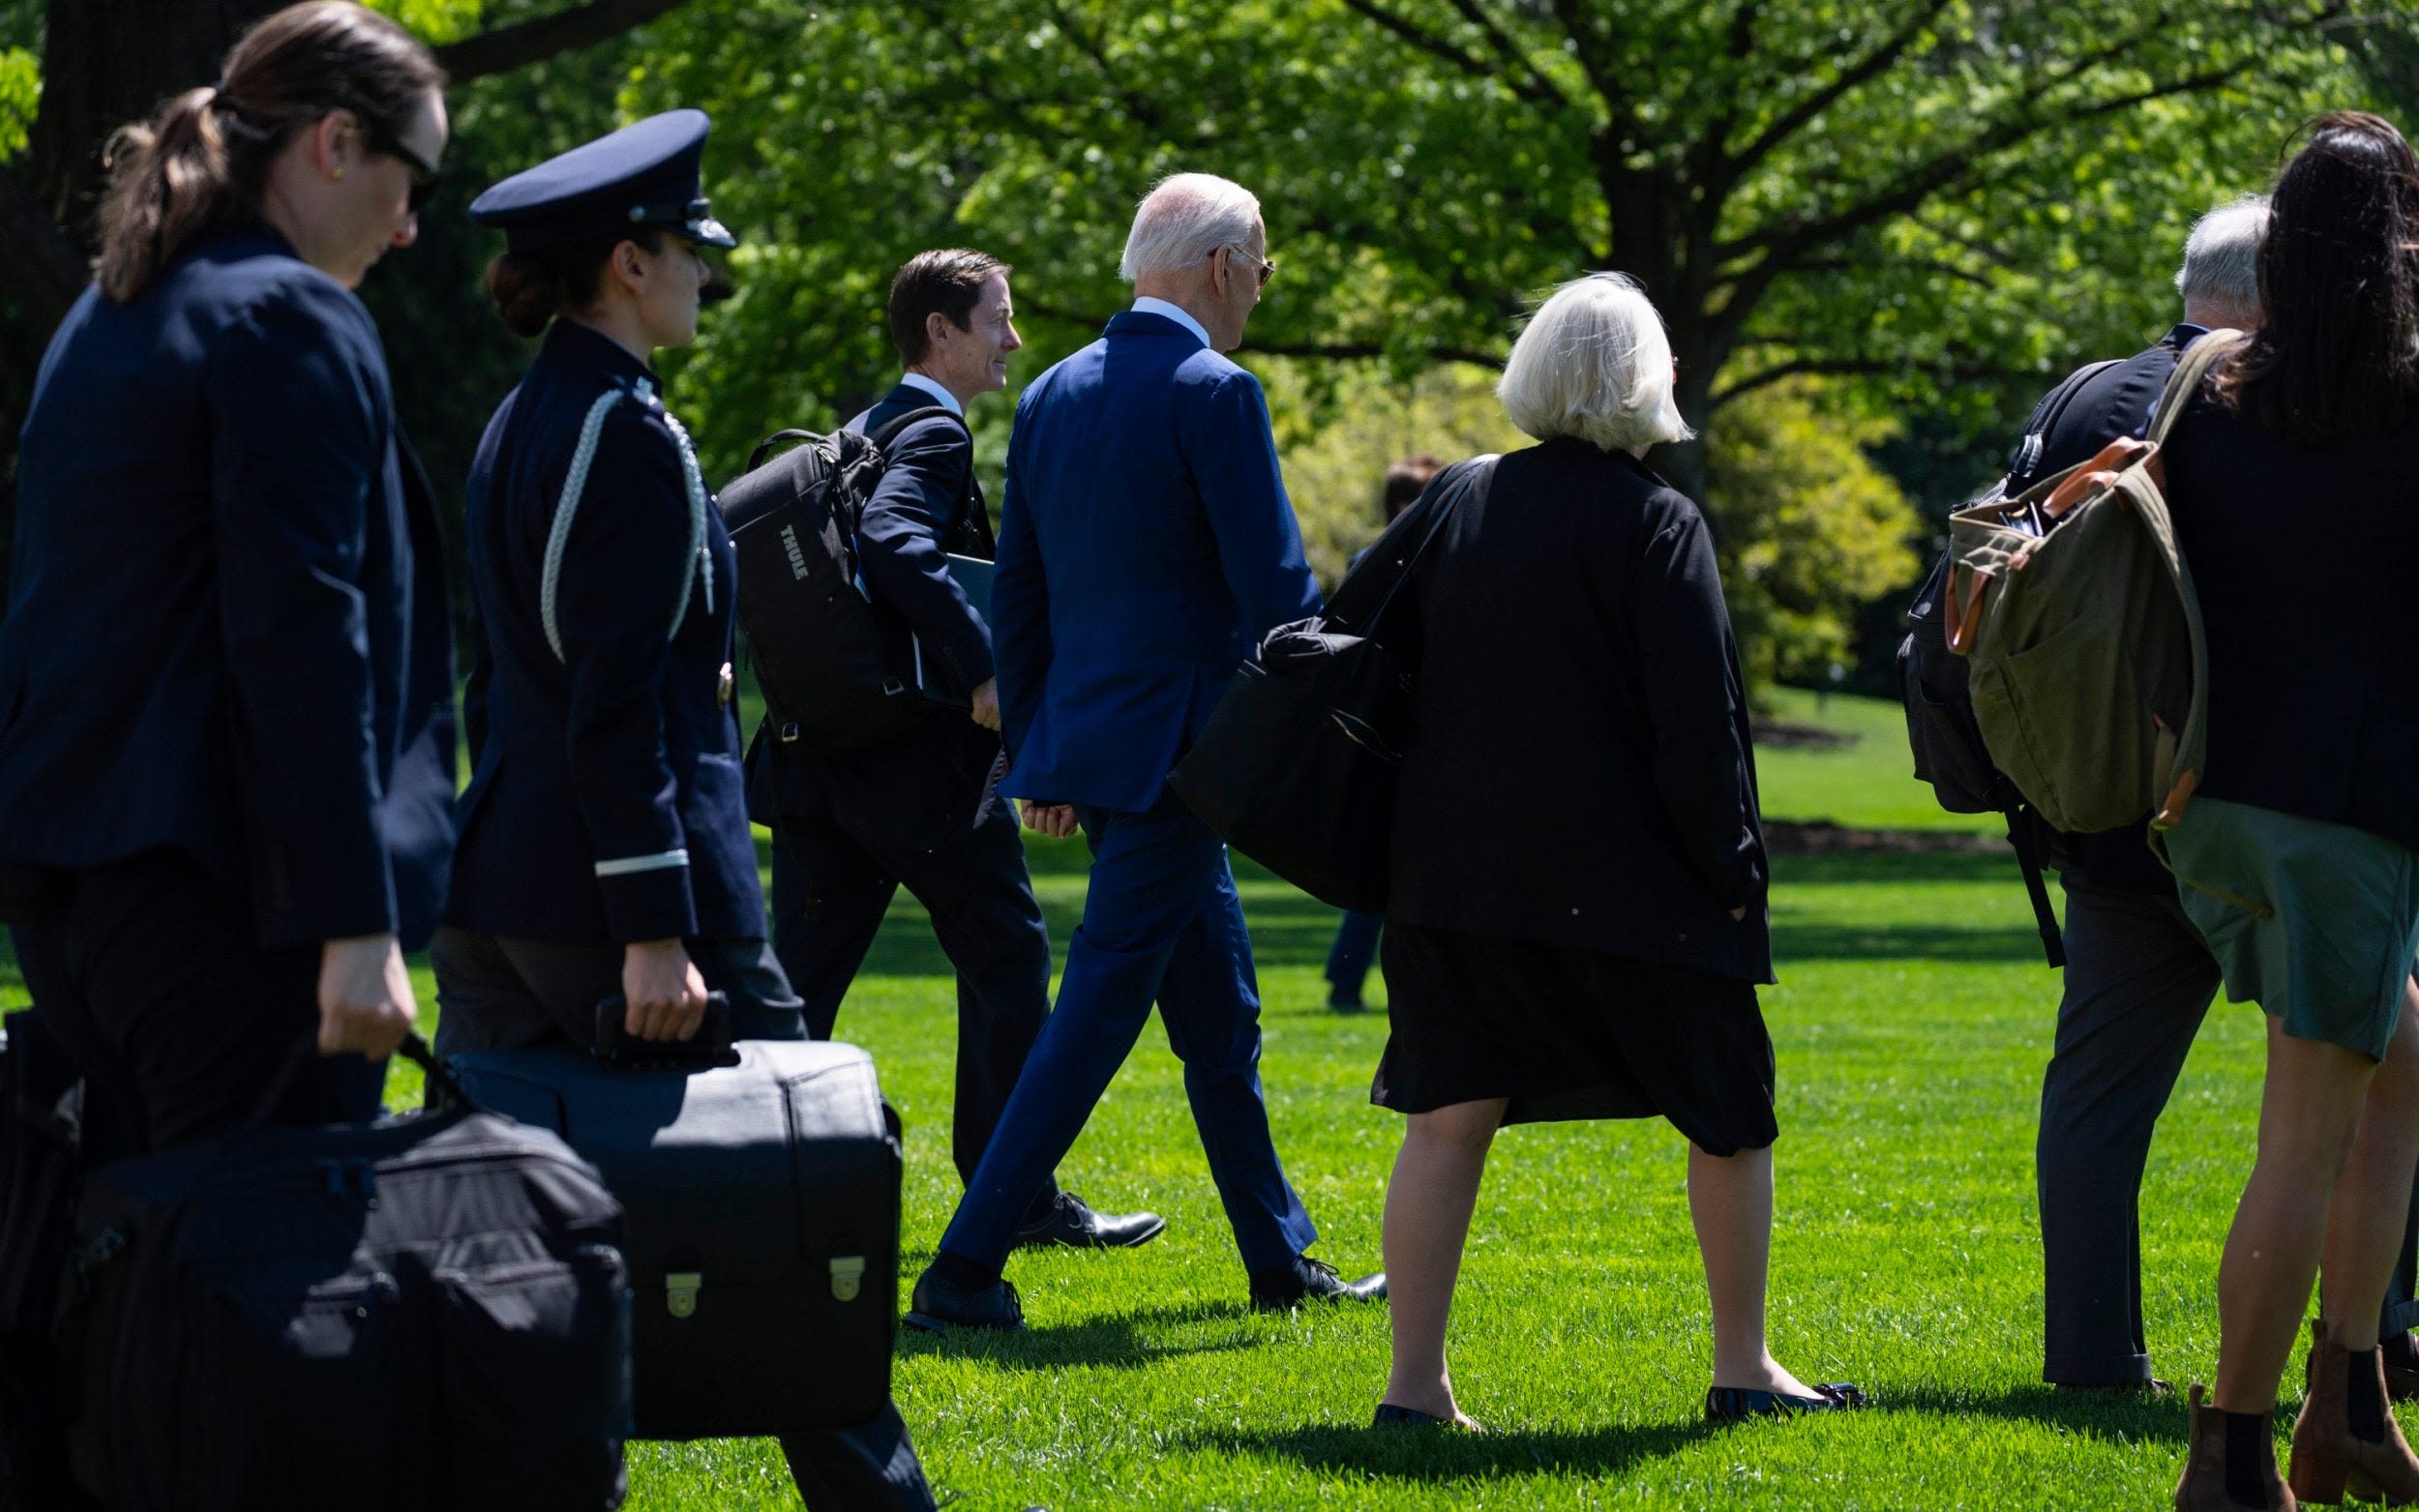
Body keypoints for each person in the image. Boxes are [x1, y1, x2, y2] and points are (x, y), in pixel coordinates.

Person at [431, 110, 933, 1512]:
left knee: (503, 1253)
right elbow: (608, 703)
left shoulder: (534, 413)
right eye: (689, 255)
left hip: (507, 885)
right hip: (617, 903)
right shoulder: (622, 433)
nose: (707, 279)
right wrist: (654, 924)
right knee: (797, 1200)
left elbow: (534, 677)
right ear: (628, 262)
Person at [1366, 273, 1858, 1431]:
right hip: (1632, 888)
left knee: (1446, 1121)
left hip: (1457, 877)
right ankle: (1743, 1367)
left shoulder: (1454, 502)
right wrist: (1733, 864)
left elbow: (1353, 652)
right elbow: (1699, 724)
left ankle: (1413, 1391)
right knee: (1730, 1117)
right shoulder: (1657, 522)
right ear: (1646, 380)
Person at [904, 172, 1385, 1330]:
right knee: (1097, 1015)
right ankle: (962, 1272)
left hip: (1111, 757)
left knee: (1220, 1018)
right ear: (1220, 266)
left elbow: (1021, 598)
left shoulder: (1056, 393)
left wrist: (1042, 754)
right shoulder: (1216, 392)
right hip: (1189, 757)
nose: (1261, 291)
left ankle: (1278, 1261)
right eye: (1262, 268)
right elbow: (1277, 593)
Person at [0, 0, 453, 1148]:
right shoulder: (288, 316)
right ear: (336, 144)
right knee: (265, 1293)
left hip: (80, 902)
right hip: (238, 914)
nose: (409, 230)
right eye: (416, 182)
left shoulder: (112, 315)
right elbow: (300, 636)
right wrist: (356, 925)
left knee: (127, 1292)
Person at [747, 249, 1160, 1252]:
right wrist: (984, 671)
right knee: (1011, 958)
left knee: (794, 989)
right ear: (942, 330)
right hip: (917, 775)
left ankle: (732, 1188)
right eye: (998, 319)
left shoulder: (866, 427)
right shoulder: (931, 430)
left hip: (822, 757)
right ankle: (1011, 1199)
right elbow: (895, 544)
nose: (1014, 340)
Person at [2160, 112, 2419, 1510]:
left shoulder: (2210, 383)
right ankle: (2236, 1451)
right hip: (2346, 813)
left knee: (2401, 1068)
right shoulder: (2408, 396)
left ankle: (2351, 1396)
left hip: (2209, 804)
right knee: (2303, 1130)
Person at [1323, 453, 1443, 1014]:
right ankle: (1350, 980)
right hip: (1398, 732)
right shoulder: (1387, 562)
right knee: (1387, 867)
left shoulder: (1369, 560)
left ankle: (1350, 979)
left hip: (1389, 732)